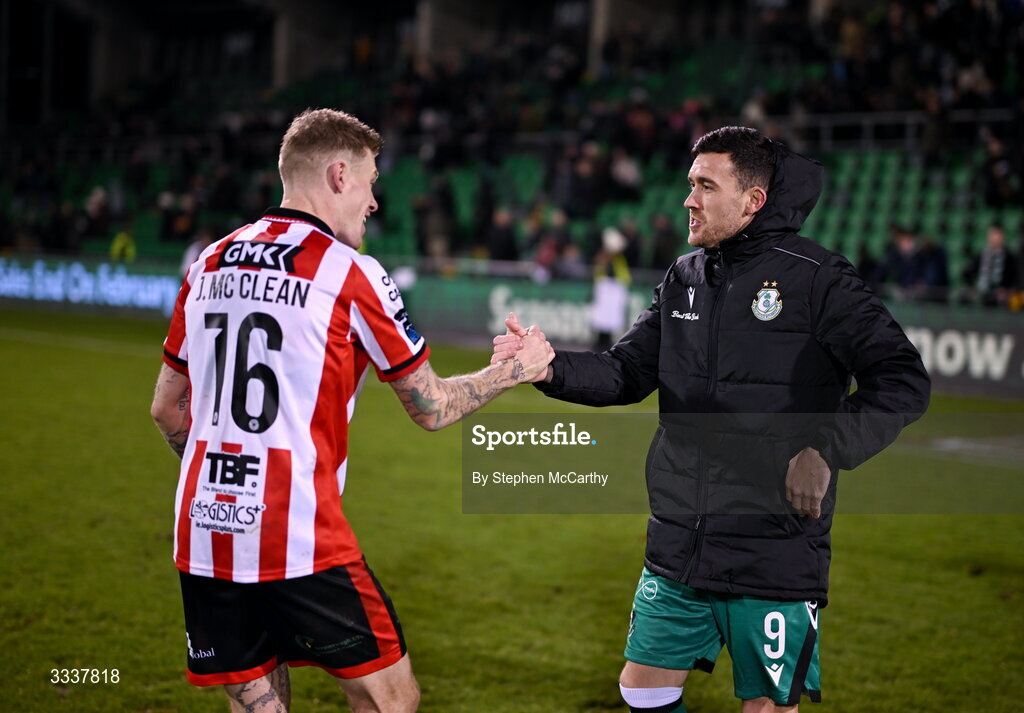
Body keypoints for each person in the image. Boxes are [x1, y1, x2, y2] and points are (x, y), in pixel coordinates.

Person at [492, 126, 930, 712]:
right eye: (688, 184)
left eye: (705, 185)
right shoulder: (685, 277)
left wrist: (826, 449)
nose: (688, 199)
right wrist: (548, 368)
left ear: (753, 200)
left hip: (773, 543)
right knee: (642, 691)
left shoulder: (817, 278)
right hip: (680, 538)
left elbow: (902, 378)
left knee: (768, 706)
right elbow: (625, 371)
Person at [150, 108, 554, 713]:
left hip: (205, 527)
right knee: (391, 699)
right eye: (370, 182)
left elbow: (166, 408)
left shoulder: (207, 263)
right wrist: (514, 370)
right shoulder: (350, 274)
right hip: (297, 531)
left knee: (258, 698)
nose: (373, 202)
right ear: (339, 175)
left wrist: (222, 475)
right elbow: (433, 406)